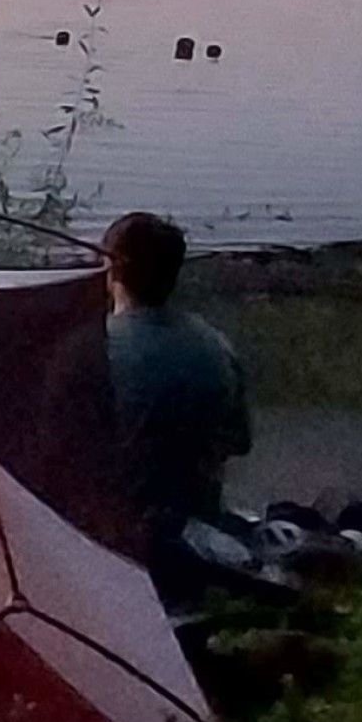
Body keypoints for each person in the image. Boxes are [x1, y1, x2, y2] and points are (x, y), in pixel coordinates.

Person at [101, 211, 251, 563]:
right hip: (199, 527)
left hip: (112, 533)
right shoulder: (216, 346)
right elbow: (239, 442)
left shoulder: (89, 349)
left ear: (110, 271)